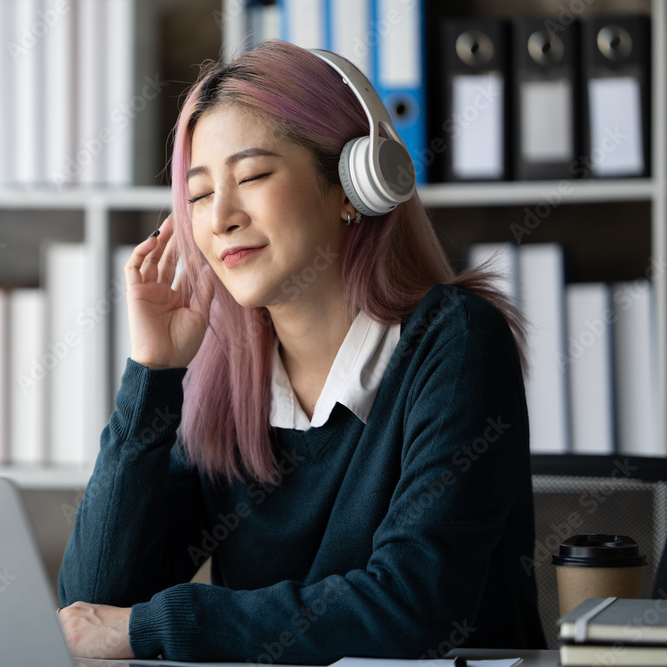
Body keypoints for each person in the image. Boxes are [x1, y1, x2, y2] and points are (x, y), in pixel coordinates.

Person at [55, 40, 546, 663]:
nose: (221, 217)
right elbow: (94, 603)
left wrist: (155, 627)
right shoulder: (224, 379)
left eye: (253, 176)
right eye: (199, 195)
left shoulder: (456, 344)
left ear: (353, 187)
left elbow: (414, 607)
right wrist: (152, 374)